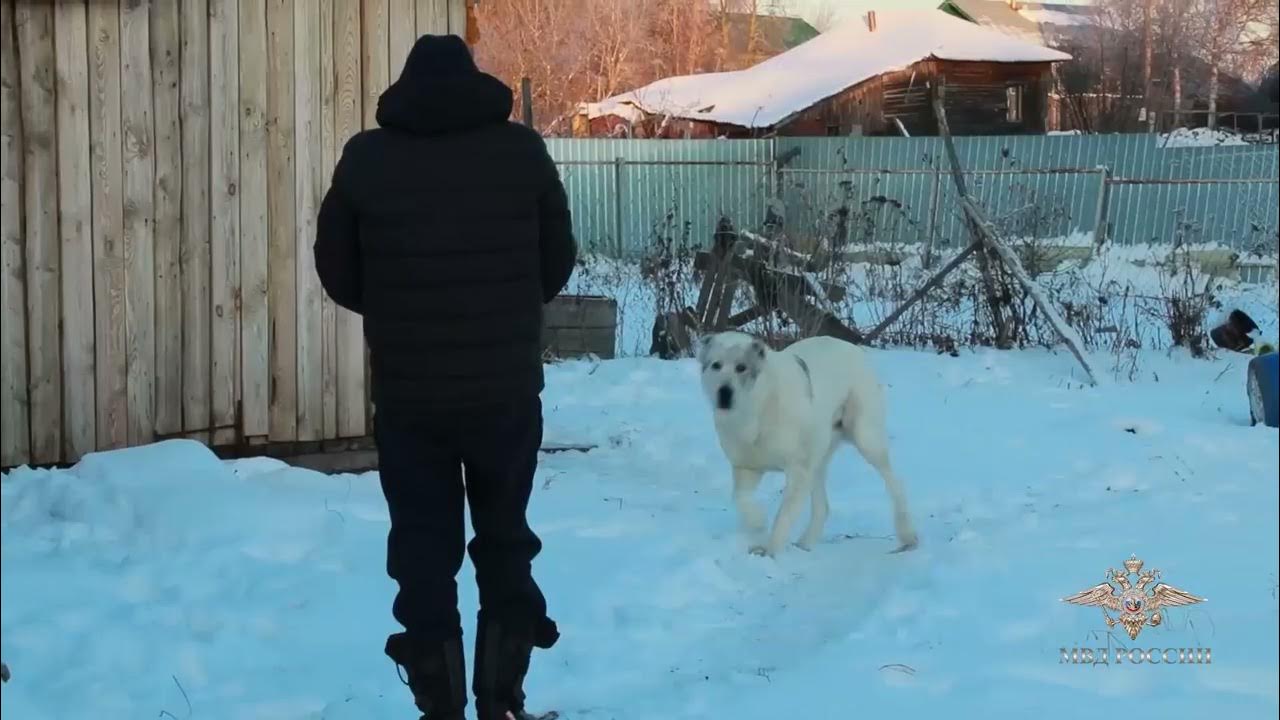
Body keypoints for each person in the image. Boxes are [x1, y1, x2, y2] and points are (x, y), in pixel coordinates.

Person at [313, 33, 576, 720]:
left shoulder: (365, 160)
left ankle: (440, 710)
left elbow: (338, 275)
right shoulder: (521, 153)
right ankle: (503, 704)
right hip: (505, 394)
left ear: (403, 90)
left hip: (409, 397)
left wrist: (400, 309)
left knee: (424, 551)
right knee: (505, 539)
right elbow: (556, 266)